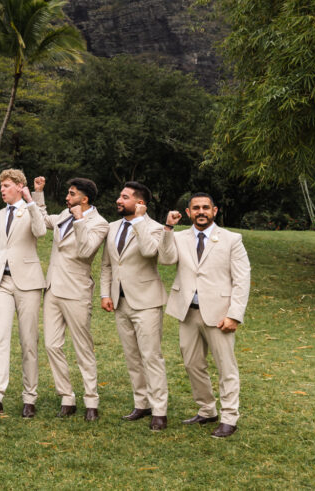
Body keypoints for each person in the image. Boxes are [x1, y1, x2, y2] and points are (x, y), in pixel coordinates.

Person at [158, 193, 251, 439]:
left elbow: (242, 280)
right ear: (188, 212)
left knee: (226, 367)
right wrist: (168, 227)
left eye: (205, 208)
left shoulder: (232, 239)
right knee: (192, 364)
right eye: (196, 208)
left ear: (215, 210)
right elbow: (165, 259)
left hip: (220, 315)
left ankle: (229, 417)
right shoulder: (178, 237)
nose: (201, 211)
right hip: (187, 311)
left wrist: (234, 315)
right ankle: (207, 409)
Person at [32, 176, 110, 421]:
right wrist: (38, 193)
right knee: (51, 345)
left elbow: (86, 251)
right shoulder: (64, 215)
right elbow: (44, 220)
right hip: (53, 289)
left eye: (72, 194)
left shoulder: (100, 223)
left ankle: (91, 401)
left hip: (77, 291)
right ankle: (67, 397)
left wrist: (79, 220)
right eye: (68, 193)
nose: (67, 197)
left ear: (84, 199)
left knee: (82, 347)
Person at [100, 181, 170, 430]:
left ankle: (159, 410)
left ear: (140, 203)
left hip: (147, 301)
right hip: (120, 301)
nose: (119, 200)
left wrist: (139, 222)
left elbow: (150, 252)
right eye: (119, 195)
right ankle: (141, 404)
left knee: (151, 356)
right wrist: (105, 294)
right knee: (132, 356)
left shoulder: (155, 228)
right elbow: (108, 264)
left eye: (125, 197)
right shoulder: (112, 227)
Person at [0, 169, 46, 418]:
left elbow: (41, 232)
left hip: (28, 283)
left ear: (20, 186)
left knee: (29, 340)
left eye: (7, 186)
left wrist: (31, 201)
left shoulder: (30, 209)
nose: (2, 190)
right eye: (1, 186)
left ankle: (30, 398)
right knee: (0, 338)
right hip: (1, 284)